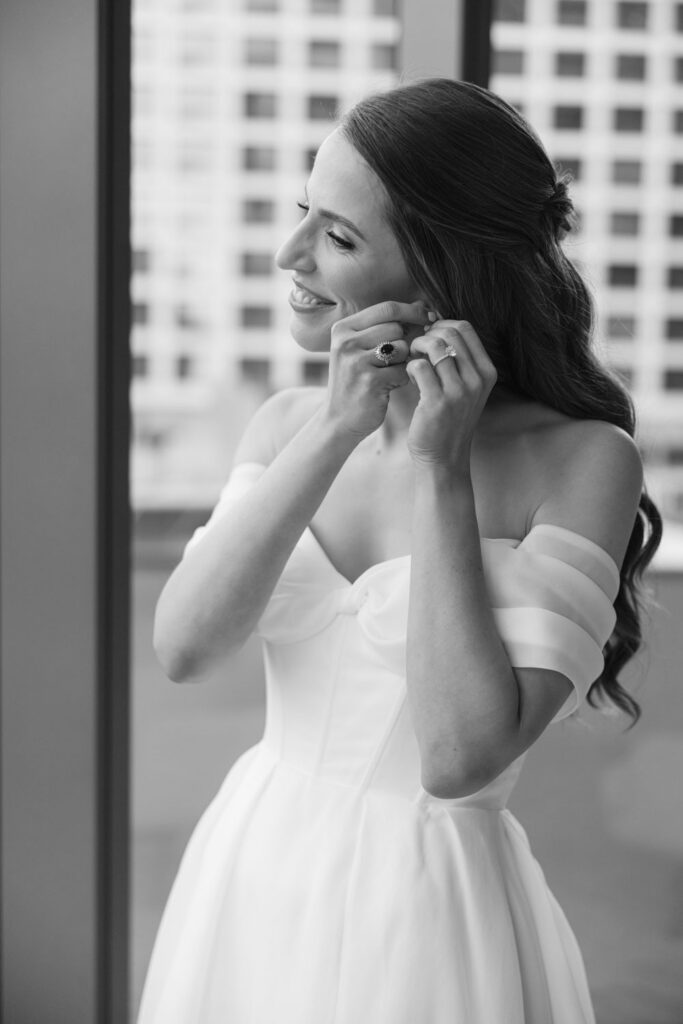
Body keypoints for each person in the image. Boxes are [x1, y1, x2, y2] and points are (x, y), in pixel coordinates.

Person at [137, 78, 662, 1023]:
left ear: (443, 277)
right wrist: (335, 431)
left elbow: (458, 755)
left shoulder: (585, 461)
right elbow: (183, 648)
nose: (287, 254)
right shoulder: (287, 424)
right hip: (253, 869)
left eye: (336, 237)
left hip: (425, 909)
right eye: (305, 211)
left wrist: (441, 470)